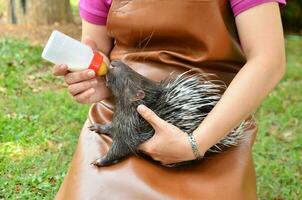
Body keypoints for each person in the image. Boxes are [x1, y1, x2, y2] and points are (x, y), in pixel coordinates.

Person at [54, 0, 286, 199]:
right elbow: (98, 52)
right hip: (122, 120)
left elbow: (268, 60)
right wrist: (95, 81)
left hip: (210, 124)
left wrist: (195, 143)